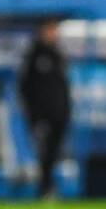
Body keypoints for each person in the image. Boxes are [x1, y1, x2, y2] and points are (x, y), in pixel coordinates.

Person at [18, 18, 71, 199]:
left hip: (59, 113)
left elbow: (63, 86)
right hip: (41, 114)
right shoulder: (34, 54)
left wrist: (65, 109)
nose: (53, 33)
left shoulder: (58, 54)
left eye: (55, 30)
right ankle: (45, 187)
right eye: (50, 29)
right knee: (43, 151)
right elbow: (25, 85)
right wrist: (33, 112)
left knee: (54, 151)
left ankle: (48, 186)